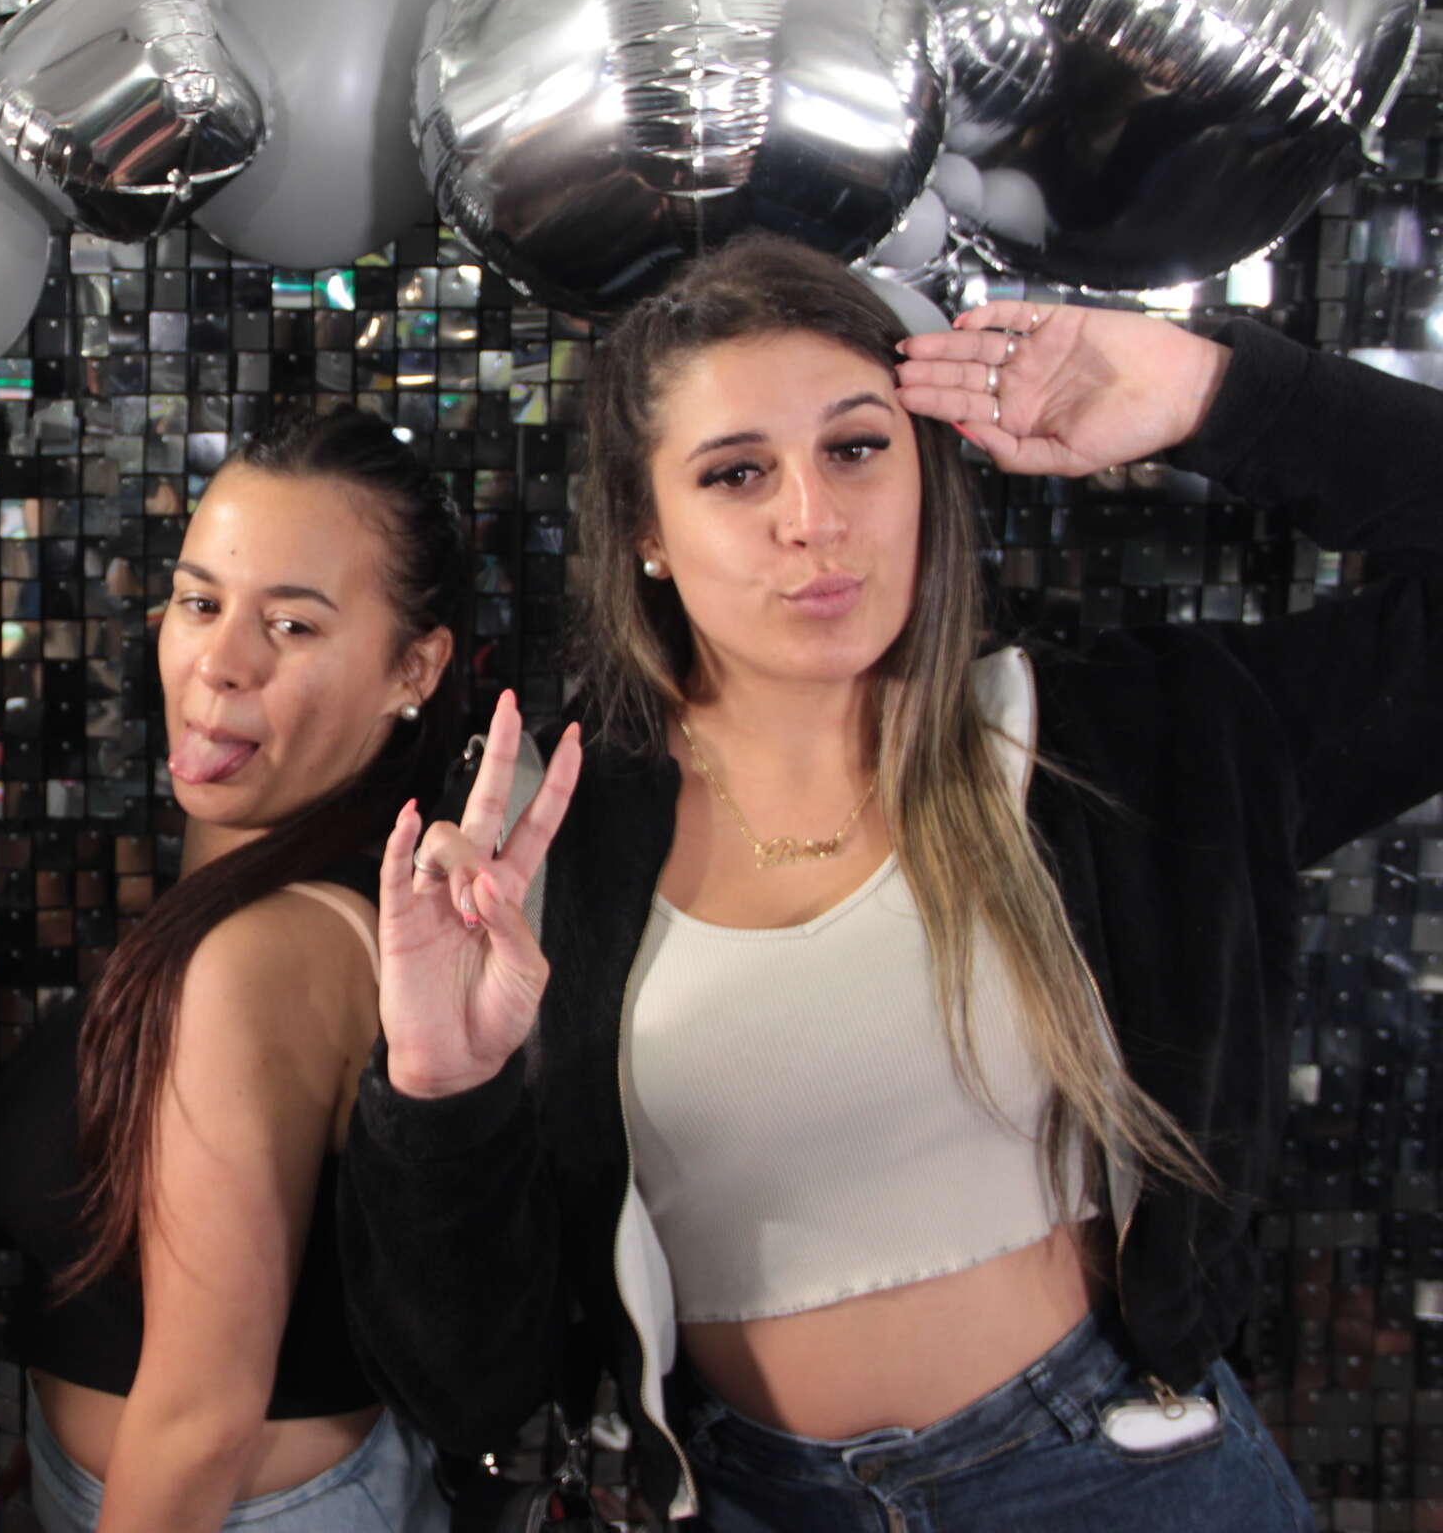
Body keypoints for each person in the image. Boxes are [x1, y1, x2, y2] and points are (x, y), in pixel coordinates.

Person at [342, 233, 1443, 1530]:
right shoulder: (541, 837)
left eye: (858, 448)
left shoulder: (1125, 745)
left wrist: (1213, 393)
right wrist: (440, 1096)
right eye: (736, 472)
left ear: (927, 470)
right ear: (647, 530)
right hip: (749, 1501)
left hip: (1117, 1479)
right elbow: (470, 1387)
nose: (813, 517)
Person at [0, 408, 466, 1533]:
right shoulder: (244, 886)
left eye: (292, 625)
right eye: (201, 604)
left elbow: (203, 1419)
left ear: (413, 667)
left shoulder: (273, 947)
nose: (221, 661)